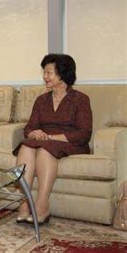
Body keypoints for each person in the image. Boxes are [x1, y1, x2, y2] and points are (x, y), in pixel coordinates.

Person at [14, 54, 92, 225]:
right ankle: (25, 201)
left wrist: (50, 137)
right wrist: (35, 133)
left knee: (45, 148)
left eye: (49, 72)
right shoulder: (42, 100)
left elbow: (84, 133)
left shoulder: (80, 99)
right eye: (44, 72)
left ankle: (42, 205)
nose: (45, 76)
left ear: (62, 74)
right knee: (26, 146)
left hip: (69, 143)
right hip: (45, 140)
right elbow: (29, 127)